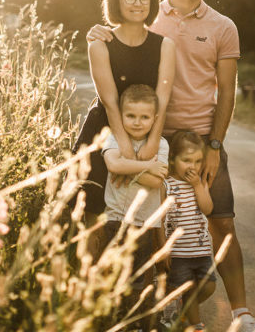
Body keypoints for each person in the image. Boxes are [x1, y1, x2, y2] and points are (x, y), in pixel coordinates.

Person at [87, 0, 255, 331]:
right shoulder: (149, 16)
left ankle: (242, 313)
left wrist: (214, 144)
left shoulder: (223, 26)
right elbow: (119, 37)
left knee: (221, 222)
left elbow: (227, 92)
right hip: (151, 135)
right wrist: (98, 29)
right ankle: (160, 310)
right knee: (153, 226)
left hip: (200, 138)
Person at [71, 0, 175, 259]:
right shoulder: (100, 43)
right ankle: (90, 287)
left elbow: (164, 97)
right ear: (117, 1)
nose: (137, 3)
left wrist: (152, 141)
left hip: (146, 130)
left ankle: (137, 287)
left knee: (139, 212)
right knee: (95, 217)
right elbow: (109, 99)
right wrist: (124, 146)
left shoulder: (165, 45)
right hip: (104, 130)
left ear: (152, 3)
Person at [100, 84, 169, 329]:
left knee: (139, 278)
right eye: (130, 116)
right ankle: (114, 323)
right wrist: (146, 166)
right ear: (121, 116)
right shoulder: (114, 138)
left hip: (143, 223)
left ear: (155, 119)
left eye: (144, 117)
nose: (137, 122)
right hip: (115, 220)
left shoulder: (161, 145)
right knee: (114, 276)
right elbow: (113, 166)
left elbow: (154, 181)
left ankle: (136, 324)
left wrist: (132, 168)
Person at [158, 130, 216, 331]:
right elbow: (161, 219)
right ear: (172, 160)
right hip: (179, 253)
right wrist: (163, 248)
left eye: (198, 161)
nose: (193, 166)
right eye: (187, 160)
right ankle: (195, 324)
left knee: (209, 286)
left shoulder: (199, 183)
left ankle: (183, 310)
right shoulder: (166, 185)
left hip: (201, 251)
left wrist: (198, 186)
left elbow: (208, 209)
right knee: (182, 287)